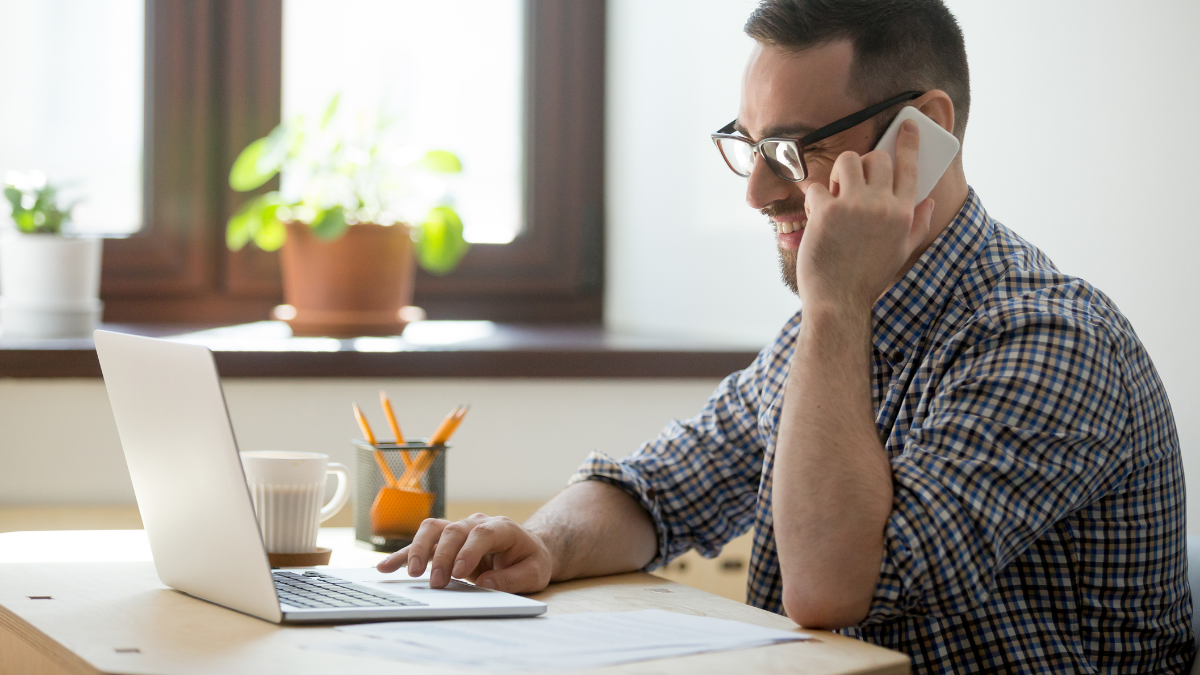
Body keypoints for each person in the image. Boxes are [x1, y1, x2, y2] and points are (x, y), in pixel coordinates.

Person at [378, 0, 1193, 671]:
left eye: (793, 149)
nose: (759, 191)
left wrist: (834, 301)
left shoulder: (1049, 340)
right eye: (750, 144)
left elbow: (832, 587)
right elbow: (660, 488)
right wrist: (542, 542)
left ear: (922, 133)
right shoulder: (836, 327)